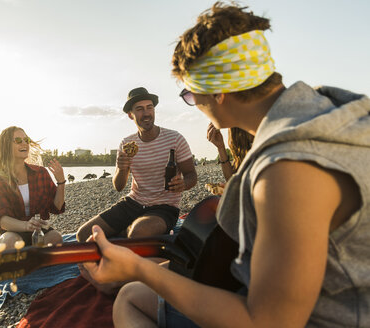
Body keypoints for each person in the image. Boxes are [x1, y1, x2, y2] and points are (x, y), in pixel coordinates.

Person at [82, 3, 370, 327]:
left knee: (130, 299)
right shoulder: (332, 111)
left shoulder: (286, 171)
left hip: (329, 314)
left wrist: (139, 269)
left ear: (218, 91)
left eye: (191, 95)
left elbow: (268, 322)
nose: (195, 104)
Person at [76, 87, 197, 242]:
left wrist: (183, 184)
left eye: (149, 108)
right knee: (83, 234)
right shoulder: (127, 143)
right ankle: (122, 235)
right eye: (139, 109)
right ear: (130, 115)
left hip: (165, 207)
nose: (146, 113)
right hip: (133, 203)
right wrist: (121, 168)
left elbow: (191, 176)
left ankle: (121, 235)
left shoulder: (175, 139)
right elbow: (118, 186)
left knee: (137, 234)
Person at [0, 126, 66, 250]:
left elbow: (57, 207)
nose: (24, 143)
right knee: (9, 242)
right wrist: (26, 225)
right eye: (18, 140)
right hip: (14, 231)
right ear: (6, 146)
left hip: (39, 230)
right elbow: (2, 220)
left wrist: (61, 182)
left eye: (26, 140)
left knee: (55, 238)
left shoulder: (40, 173)